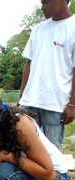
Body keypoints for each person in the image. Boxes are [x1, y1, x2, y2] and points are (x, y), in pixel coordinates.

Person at [18, 0, 75, 149]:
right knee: (23, 147)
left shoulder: (73, 27)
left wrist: (72, 104)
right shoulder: (38, 29)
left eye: (46, 2)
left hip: (55, 104)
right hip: (30, 101)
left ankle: (54, 173)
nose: (42, 7)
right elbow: (28, 65)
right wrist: (21, 97)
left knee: (51, 151)